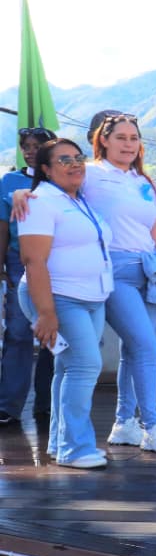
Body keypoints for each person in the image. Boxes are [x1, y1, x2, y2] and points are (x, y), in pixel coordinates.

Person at [67, 112, 156, 454]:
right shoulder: (89, 173)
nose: (129, 144)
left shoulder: (144, 182)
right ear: (103, 140)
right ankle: (152, 426)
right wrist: (21, 197)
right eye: (121, 137)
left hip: (149, 271)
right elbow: (54, 193)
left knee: (136, 349)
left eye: (134, 138)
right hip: (113, 270)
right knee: (147, 346)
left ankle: (124, 423)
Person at [16, 138, 112, 467]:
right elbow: (33, 260)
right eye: (63, 159)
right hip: (58, 296)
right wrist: (46, 313)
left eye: (77, 157)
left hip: (91, 296)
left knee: (68, 367)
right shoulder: (41, 201)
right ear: (45, 169)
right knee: (86, 366)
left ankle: (60, 443)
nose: (74, 164)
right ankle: (76, 448)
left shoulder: (77, 198)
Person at [0, 126, 55, 425]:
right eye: (25, 145)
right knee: (18, 334)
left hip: (56, 265)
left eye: (37, 145)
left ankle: (46, 405)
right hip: (19, 262)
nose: (30, 150)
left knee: (54, 337)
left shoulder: (59, 179)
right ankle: (8, 406)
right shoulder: (9, 181)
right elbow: (2, 226)